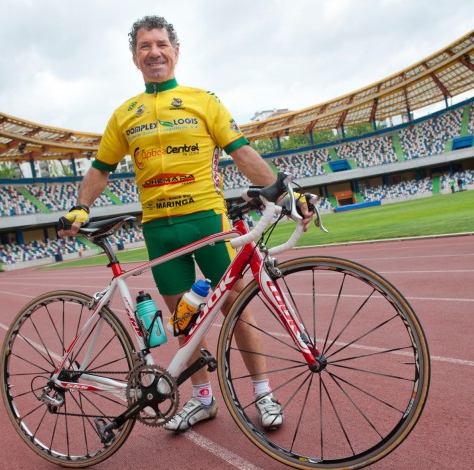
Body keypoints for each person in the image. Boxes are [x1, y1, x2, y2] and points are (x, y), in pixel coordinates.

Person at [58, 15, 313, 432]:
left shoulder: (203, 100)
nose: (153, 52)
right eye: (144, 46)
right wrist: (81, 207)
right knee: (183, 318)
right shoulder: (125, 114)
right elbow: (101, 168)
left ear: (175, 51)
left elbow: (242, 152)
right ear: (134, 57)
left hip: (208, 222)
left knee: (237, 308)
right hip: (159, 230)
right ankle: (202, 398)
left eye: (160, 44)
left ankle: (263, 393)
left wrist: (285, 192)